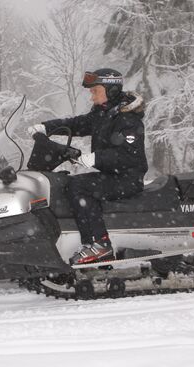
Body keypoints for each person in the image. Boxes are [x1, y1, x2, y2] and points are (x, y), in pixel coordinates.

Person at [28, 68, 148, 265]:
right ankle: (87, 242)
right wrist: (47, 127)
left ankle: (100, 244)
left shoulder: (128, 119)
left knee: (79, 186)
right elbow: (78, 124)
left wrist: (95, 158)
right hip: (113, 175)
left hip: (128, 179)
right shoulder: (104, 113)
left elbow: (129, 155)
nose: (92, 96)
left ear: (110, 90)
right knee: (71, 183)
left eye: (95, 91)